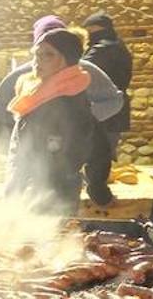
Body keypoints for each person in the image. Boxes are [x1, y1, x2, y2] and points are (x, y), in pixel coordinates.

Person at [5, 28, 94, 216]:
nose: (38, 61)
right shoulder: (37, 91)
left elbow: (90, 146)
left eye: (48, 55)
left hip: (54, 193)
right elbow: (22, 147)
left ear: (66, 60)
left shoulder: (71, 96)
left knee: (50, 241)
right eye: (37, 55)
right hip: (30, 186)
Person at [0, 15, 122, 130]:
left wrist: (81, 119)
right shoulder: (22, 75)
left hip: (79, 147)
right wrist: (24, 121)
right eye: (41, 53)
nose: (43, 60)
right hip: (33, 150)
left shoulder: (86, 71)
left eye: (51, 53)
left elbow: (113, 100)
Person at [81, 12, 133, 206]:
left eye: (91, 30)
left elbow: (80, 71)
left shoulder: (101, 49)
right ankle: (99, 192)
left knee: (96, 153)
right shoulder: (120, 46)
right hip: (116, 108)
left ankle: (98, 197)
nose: (89, 35)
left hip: (103, 110)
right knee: (104, 150)